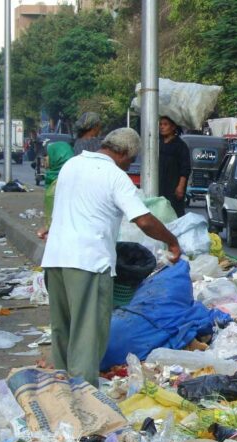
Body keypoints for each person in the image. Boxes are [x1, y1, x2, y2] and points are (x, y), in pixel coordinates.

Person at [40, 128, 181, 386]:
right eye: (130, 160)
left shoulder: (72, 165)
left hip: (55, 259)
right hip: (88, 263)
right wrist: (172, 241)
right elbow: (144, 220)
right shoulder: (115, 176)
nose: (129, 165)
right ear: (125, 153)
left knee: (62, 330)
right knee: (87, 334)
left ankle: (58, 391)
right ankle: (83, 400)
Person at [159, 116, 191, 218]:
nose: (162, 127)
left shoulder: (180, 146)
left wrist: (180, 187)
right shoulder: (156, 143)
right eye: (160, 124)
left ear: (173, 127)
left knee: (174, 212)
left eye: (165, 124)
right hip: (158, 184)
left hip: (173, 186)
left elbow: (185, 169)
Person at [42, 141, 74, 228]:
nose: (43, 163)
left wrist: (47, 228)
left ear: (57, 157)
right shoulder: (74, 177)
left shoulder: (58, 182)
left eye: (46, 158)